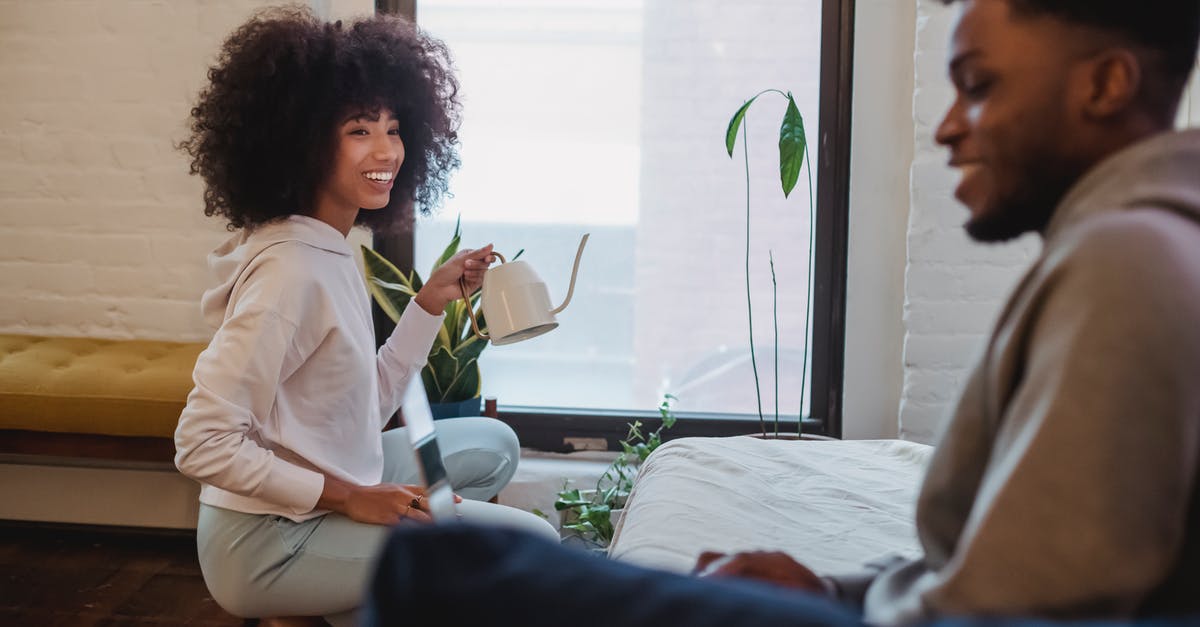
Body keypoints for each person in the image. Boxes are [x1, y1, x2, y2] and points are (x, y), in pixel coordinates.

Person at [362, 1, 1200, 625]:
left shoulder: (1129, 263)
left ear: (1104, 83)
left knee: (443, 566)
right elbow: (996, 564)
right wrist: (832, 584)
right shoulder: (1130, 247)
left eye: (978, 87)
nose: (947, 126)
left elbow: (1029, 605)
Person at [172, 7, 556, 626]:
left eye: (394, 128)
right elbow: (201, 442)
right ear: (302, 141)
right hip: (263, 543)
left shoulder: (328, 244)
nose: (387, 151)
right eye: (358, 130)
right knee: (528, 546)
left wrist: (430, 301)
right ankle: (330, 592)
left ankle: (355, 592)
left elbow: (361, 407)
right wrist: (355, 499)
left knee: (493, 445)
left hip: (314, 491)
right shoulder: (291, 272)